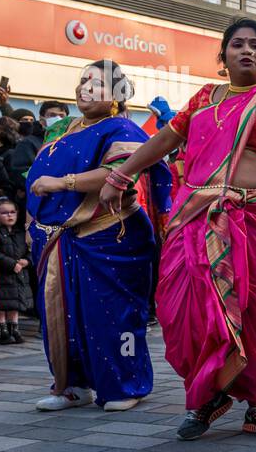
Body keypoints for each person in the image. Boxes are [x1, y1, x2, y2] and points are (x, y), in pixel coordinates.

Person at [101, 18, 256, 439]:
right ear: (222, 57)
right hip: (194, 216)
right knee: (181, 311)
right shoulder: (205, 98)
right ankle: (208, 395)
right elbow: (165, 141)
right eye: (237, 45)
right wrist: (121, 174)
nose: (247, 51)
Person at [27, 60, 171, 411]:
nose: (85, 88)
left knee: (111, 314)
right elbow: (35, 179)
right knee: (63, 314)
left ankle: (127, 386)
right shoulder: (62, 130)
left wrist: (63, 184)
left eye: (98, 83)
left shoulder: (123, 129)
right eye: (83, 81)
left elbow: (119, 172)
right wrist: (30, 225)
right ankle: (72, 386)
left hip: (110, 234)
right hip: (58, 238)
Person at [0, 198, 33, 344]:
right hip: (1, 277)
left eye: (13, 212)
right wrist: (11, 263)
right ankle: (2, 331)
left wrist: (27, 261)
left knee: (15, 305)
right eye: (5, 213)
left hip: (19, 277)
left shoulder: (21, 233)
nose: (10, 215)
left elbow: (30, 250)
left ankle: (14, 329)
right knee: (1, 306)